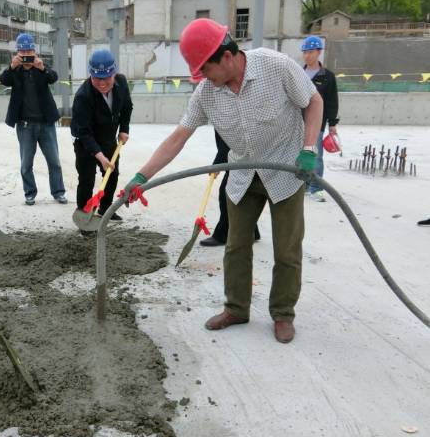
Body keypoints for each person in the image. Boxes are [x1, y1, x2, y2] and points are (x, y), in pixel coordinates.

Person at [126, 18, 323, 343]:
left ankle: (283, 314)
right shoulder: (207, 93)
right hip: (243, 174)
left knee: (287, 250)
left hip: (287, 172)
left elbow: (313, 101)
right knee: (235, 246)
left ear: (227, 57)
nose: (203, 78)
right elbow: (179, 137)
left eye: (206, 69)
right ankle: (236, 308)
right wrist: (141, 175)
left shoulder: (276, 67)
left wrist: (308, 148)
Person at [71, 49, 133, 236]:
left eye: (107, 77)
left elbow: (127, 107)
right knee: (87, 179)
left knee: (112, 175)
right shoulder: (83, 96)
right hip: (85, 144)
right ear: (91, 74)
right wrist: (99, 156)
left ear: (114, 73)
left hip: (108, 139)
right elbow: (84, 133)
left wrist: (124, 129)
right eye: (97, 78)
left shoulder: (121, 83)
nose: (103, 83)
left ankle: (105, 210)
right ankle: (84, 218)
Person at [0, 33, 67, 205]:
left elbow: (54, 77)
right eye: (22, 51)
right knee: (26, 164)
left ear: (34, 51)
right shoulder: (15, 70)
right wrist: (11, 66)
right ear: (18, 53)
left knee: (54, 161)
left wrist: (42, 67)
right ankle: (30, 193)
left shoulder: (40, 67)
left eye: (29, 50)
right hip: (24, 125)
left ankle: (58, 192)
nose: (26, 54)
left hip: (46, 123)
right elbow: (3, 80)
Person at [200, 131, 260, 246]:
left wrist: (218, 162)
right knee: (241, 193)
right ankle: (252, 230)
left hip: (243, 157)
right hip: (240, 156)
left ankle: (223, 234)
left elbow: (229, 140)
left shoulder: (224, 114)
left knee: (227, 194)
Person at [301, 35, 339, 202]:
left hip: (317, 123)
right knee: (300, 154)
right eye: (305, 52)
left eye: (310, 52)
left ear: (318, 52)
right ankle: (304, 185)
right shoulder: (299, 73)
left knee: (315, 154)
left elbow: (332, 101)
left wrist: (332, 124)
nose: (307, 55)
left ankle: (316, 188)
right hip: (298, 121)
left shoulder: (327, 76)